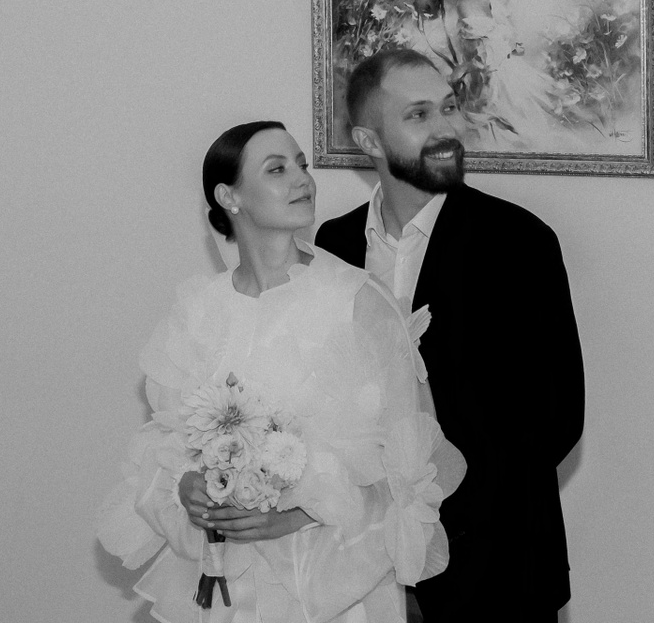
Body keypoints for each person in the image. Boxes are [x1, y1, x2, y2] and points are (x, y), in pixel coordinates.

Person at [99, 120, 465, 623]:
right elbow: (165, 444)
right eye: (277, 169)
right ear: (229, 196)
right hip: (228, 594)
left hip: (336, 590)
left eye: (302, 165)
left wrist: (301, 514)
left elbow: (412, 468)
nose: (303, 180)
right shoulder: (198, 313)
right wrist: (186, 487)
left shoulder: (357, 301)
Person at [314, 50, 585, 623]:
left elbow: (557, 420)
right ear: (368, 141)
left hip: (500, 572)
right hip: (364, 572)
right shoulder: (332, 246)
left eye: (449, 108)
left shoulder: (520, 242)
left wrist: (441, 520)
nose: (446, 129)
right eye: (418, 115)